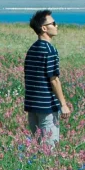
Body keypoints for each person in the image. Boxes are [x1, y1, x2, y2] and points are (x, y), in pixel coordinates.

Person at [24, 9, 70, 145]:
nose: (56, 26)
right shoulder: (50, 50)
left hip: (32, 105)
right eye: (53, 23)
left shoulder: (32, 49)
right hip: (47, 106)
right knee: (50, 147)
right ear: (44, 28)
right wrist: (63, 105)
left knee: (38, 146)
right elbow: (54, 80)